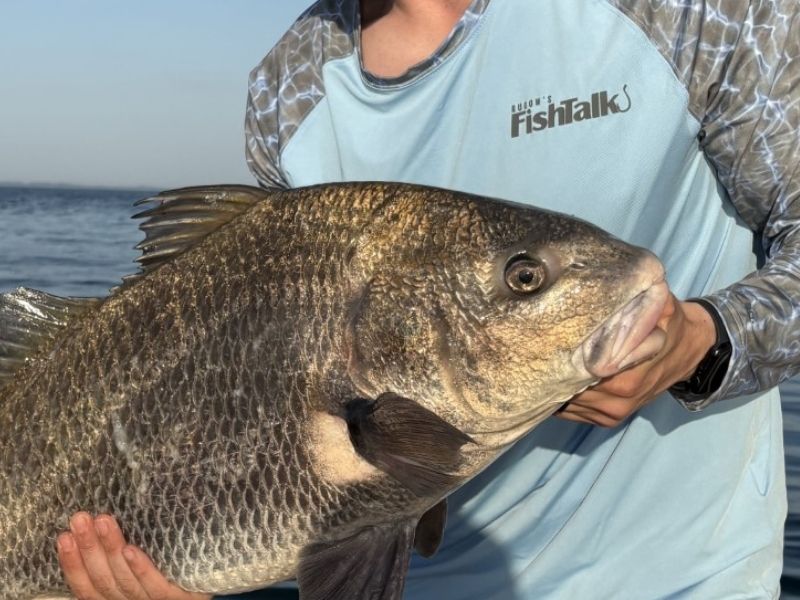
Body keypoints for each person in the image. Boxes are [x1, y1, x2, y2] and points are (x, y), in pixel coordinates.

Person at [57, 0, 800, 598]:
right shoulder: (288, 87)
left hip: (689, 578)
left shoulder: (689, 13)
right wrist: (164, 570)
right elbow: (273, 422)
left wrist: (703, 345)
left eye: (525, 279)